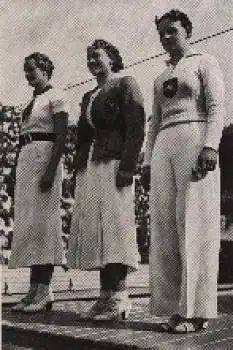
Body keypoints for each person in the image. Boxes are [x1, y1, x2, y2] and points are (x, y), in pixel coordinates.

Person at [141, 9, 225, 333]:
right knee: (165, 226)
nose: (165, 38)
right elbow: (154, 123)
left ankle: (197, 310)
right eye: (161, 33)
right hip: (164, 144)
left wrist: (210, 146)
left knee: (194, 223)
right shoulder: (161, 78)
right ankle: (175, 308)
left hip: (195, 138)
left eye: (171, 31)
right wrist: (147, 162)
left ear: (187, 31)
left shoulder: (204, 61)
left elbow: (216, 106)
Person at [68, 39, 145, 320]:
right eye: (88, 57)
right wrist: (77, 170)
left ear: (111, 58)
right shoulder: (89, 96)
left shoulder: (125, 84)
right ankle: (105, 297)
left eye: (97, 56)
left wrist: (128, 166)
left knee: (115, 229)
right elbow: (83, 137)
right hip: (91, 168)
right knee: (98, 231)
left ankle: (121, 298)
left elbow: (136, 127)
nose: (91, 61)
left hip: (115, 165)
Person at [9, 52, 69, 313]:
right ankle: (34, 290)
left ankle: (44, 290)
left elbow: (62, 134)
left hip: (45, 157)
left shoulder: (56, 95)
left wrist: (50, 170)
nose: (28, 75)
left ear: (45, 70)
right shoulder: (30, 101)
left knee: (44, 225)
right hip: (27, 157)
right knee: (31, 225)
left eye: (32, 70)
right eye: (26, 70)